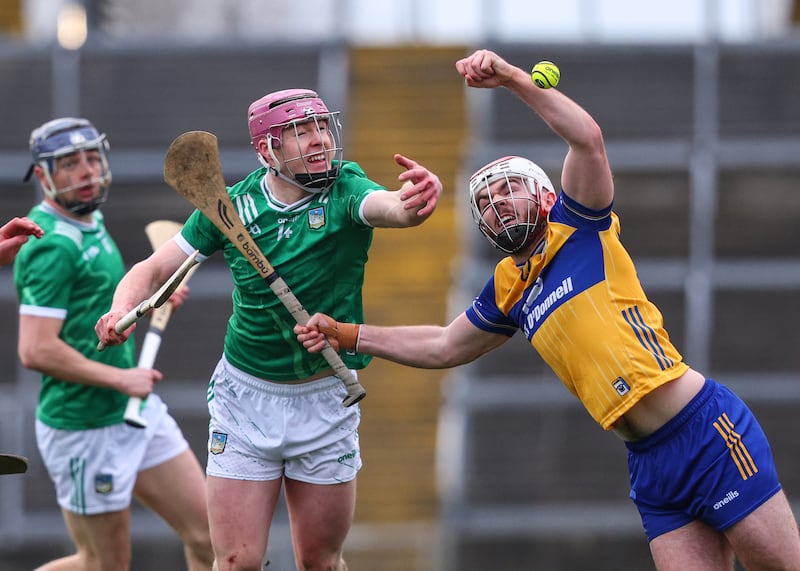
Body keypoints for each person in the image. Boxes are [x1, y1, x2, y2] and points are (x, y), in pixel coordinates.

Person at [294, 50, 800, 571]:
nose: (498, 205)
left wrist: (512, 79)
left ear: (543, 192)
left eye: (508, 190)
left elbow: (587, 138)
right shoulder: (508, 288)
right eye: (486, 204)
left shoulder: (579, 221)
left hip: (703, 430)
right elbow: (444, 345)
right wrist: (349, 335)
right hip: (649, 463)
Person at [95, 88, 443, 571]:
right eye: (300, 133)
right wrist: (120, 309)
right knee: (237, 561)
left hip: (326, 397)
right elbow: (152, 269)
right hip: (246, 398)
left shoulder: (345, 187)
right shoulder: (229, 206)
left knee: (320, 562)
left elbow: (389, 209)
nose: (318, 139)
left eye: (321, 126)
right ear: (267, 150)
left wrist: (414, 202)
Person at [14, 117, 214, 570]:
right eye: (69, 164)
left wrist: (148, 301)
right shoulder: (51, 245)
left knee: (211, 536)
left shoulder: (89, 220)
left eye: (90, 158)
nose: (86, 171)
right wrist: (122, 379)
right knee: (101, 565)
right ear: (43, 175)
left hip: (133, 413)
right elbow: (36, 350)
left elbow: (93, 318)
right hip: (85, 428)